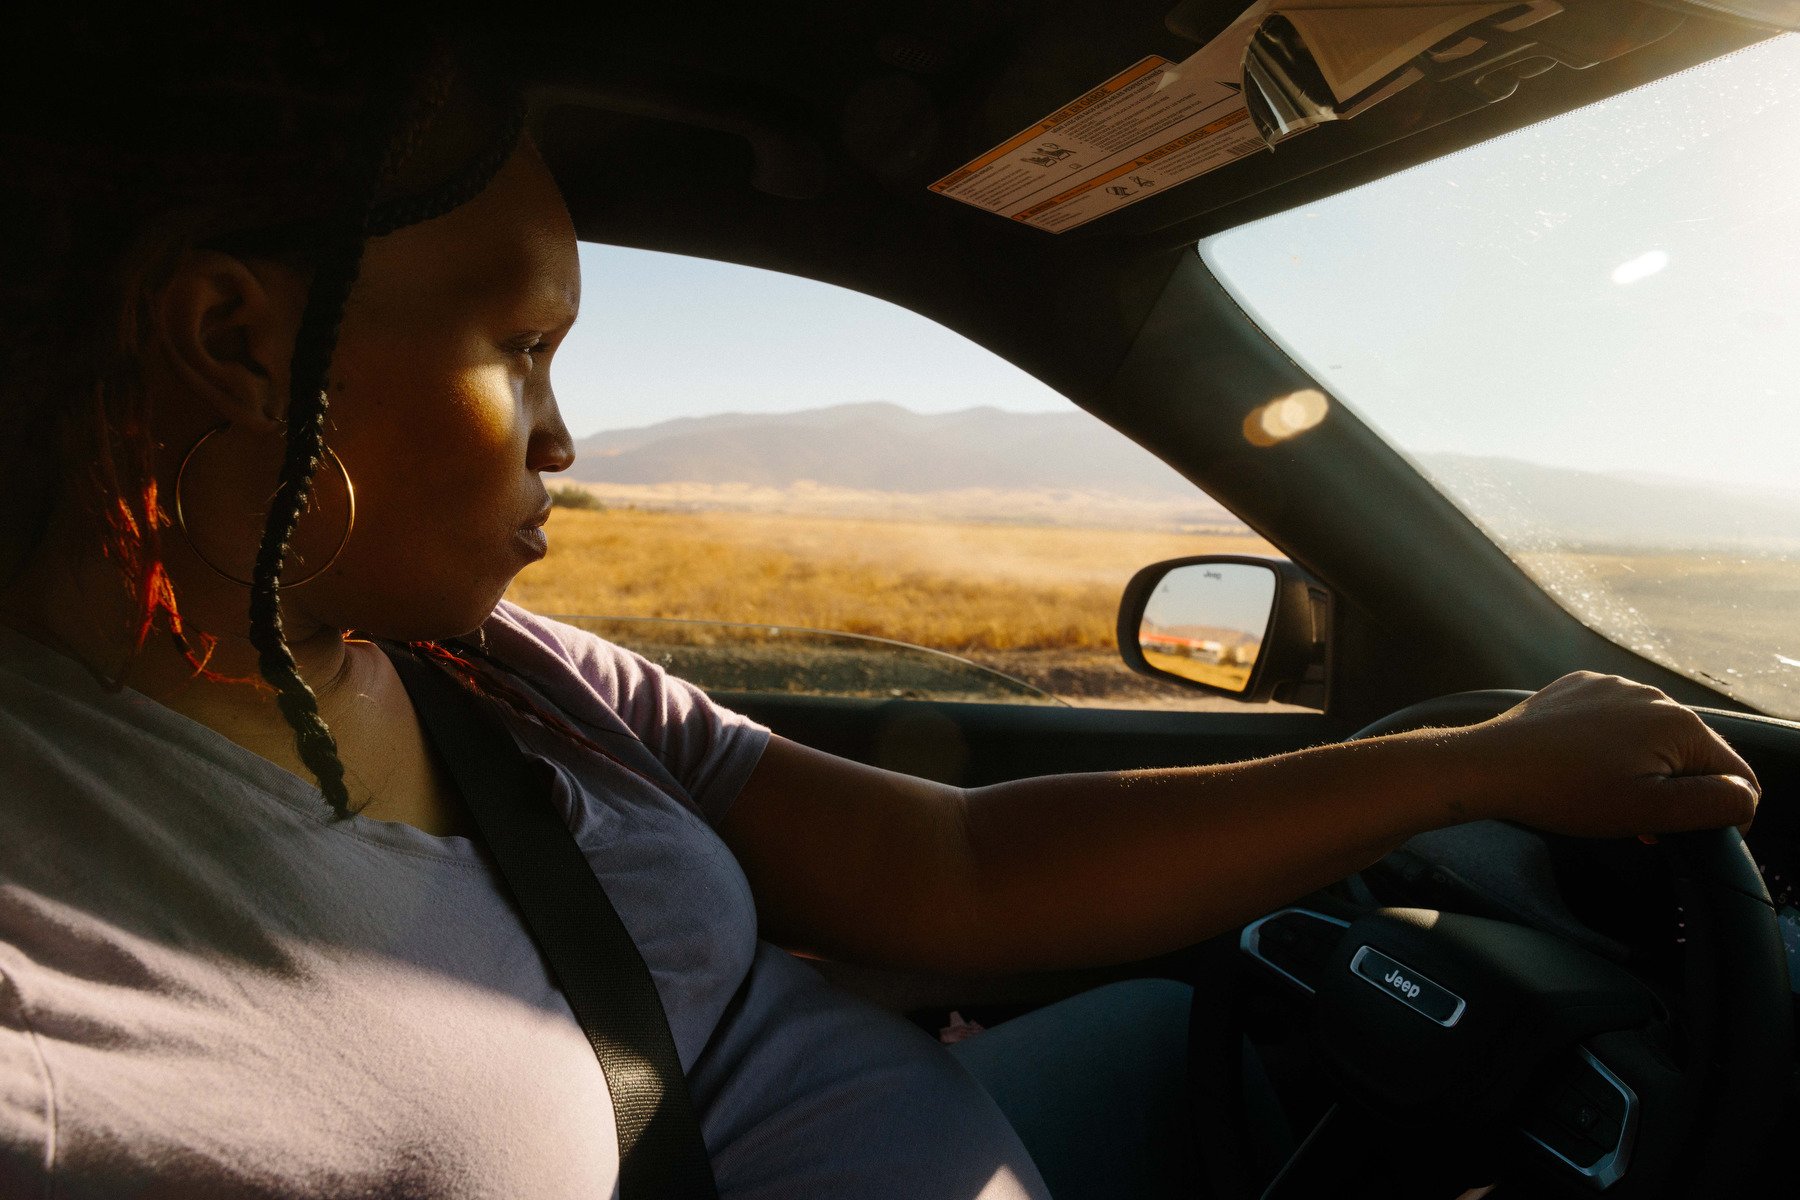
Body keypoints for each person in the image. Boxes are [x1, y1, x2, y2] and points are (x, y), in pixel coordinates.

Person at [0, 16, 1760, 1200]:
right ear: (235, 339)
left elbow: (960, 872)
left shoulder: (507, 675)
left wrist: (1471, 767)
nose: (561, 434)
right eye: (515, 345)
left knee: (1178, 1022)